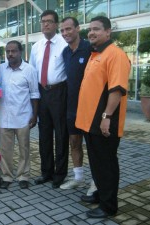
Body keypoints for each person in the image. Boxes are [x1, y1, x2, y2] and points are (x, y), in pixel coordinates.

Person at [76, 16, 131, 218]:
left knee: (106, 164)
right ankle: (100, 193)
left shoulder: (115, 55)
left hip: (104, 122)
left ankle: (109, 206)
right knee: (97, 162)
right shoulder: (95, 54)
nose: (91, 32)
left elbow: (117, 90)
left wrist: (106, 116)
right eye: (90, 29)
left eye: (96, 29)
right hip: (90, 122)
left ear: (108, 32)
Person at [29, 9, 69, 188]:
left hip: (59, 92)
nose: (45, 24)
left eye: (49, 21)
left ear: (56, 24)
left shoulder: (64, 43)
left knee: (61, 134)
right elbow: (31, 72)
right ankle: (46, 172)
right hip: (41, 93)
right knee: (44, 135)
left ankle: (60, 174)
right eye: (43, 21)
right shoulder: (36, 46)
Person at [59, 17, 97, 196]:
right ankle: (78, 177)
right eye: (63, 31)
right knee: (74, 142)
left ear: (77, 29)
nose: (65, 33)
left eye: (68, 29)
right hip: (72, 107)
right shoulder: (65, 52)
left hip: (90, 108)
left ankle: (96, 182)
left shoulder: (90, 48)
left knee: (92, 146)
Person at [0, 41, 39, 189]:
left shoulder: (29, 70)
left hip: (23, 116)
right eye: (8, 51)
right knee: (5, 149)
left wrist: (35, 115)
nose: (10, 54)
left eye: (13, 51)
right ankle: (6, 176)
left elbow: (34, 93)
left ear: (20, 52)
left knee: (24, 148)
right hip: (5, 117)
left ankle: (23, 176)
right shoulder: (0, 69)